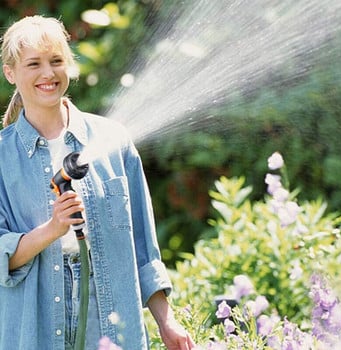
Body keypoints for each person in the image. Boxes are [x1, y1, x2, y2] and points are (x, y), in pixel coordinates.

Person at [0, 15, 195, 350]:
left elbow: (144, 248)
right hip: (31, 322)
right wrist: (53, 228)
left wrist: (167, 321)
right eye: (33, 64)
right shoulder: (3, 158)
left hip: (112, 314)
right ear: (10, 73)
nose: (48, 73)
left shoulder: (113, 140)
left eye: (56, 61)